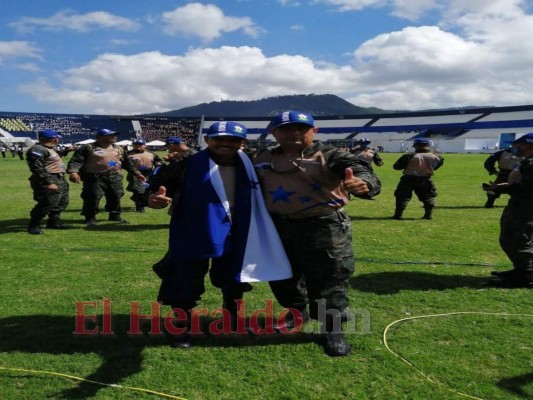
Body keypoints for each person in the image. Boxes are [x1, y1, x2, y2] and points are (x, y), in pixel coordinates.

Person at [148, 122, 292, 348]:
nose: (226, 144)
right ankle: (182, 324)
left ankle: (232, 317)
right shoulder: (185, 163)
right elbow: (155, 187)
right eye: (219, 139)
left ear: (242, 142)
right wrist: (152, 199)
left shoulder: (253, 162)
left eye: (233, 140)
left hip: (240, 227)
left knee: (234, 275)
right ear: (207, 139)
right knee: (185, 274)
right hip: (193, 228)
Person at [253, 111, 381, 357]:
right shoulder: (262, 156)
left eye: (302, 128)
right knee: (282, 275)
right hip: (278, 226)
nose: (295, 133)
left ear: (315, 131)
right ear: (274, 133)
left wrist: (365, 185)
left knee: (329, 278)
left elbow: (361, 171)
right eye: (287, 129)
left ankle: (332, 329)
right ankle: (296, 313)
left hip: (324, 226)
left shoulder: (333, 155)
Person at [66, 128, 144, 225]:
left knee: (116, 196)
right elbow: (76, 161)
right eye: (110, 135)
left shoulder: (119, 148)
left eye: (114, 135)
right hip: (94, 178)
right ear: (100, 137)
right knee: (92, 197)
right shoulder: (88, 147)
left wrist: (137, 173)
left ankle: (115, 215)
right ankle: (90, 217)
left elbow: (127, 164)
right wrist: (73, 172)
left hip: (114, 177)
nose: (114, 137)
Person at [485, 133, 533, 288]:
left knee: (518, 238)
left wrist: (509, 188)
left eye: (517, 145)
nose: (514, 148)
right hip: (521, 204)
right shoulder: (527, 161)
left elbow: (529, 189)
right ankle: (522, 270)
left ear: (527, 145)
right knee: (511, 237)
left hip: (526, 207)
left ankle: (527, 275)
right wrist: (505, 186)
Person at [25, 129, 69, 234]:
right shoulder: (37, 149)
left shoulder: (49, 149)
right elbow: (37, 168)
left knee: (62, 201)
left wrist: (66, 151)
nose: (58, 139)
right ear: (53, 138)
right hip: (47, 178)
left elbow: (51, 159)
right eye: (56, 138)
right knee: (47, 202)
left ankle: (54, 222)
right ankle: (34, 225)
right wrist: (49, 182)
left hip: (59, 178)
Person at [392, 138, 444, 220]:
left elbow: (396, 167)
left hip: (408, 179)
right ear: (428, 146)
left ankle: (398, 215)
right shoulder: (438, 157)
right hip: (425, 179)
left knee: (402, 197)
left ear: (415, 146)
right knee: (428, 197)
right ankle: (428, 215)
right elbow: (436, 167)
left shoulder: (409, 156)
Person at [126, 138, 163, 213]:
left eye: (140, 144)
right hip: (135, 174)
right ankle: (140, 207)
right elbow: (119, 161)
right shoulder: (127, 154)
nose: (138, 146)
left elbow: (159, 160)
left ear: (145, 145)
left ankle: (136, 199)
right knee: (138, 190)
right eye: (135, 144)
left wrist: (158, 164)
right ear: (132, 145)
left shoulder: (151, 153)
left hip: (147, 174)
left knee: (144, 190)